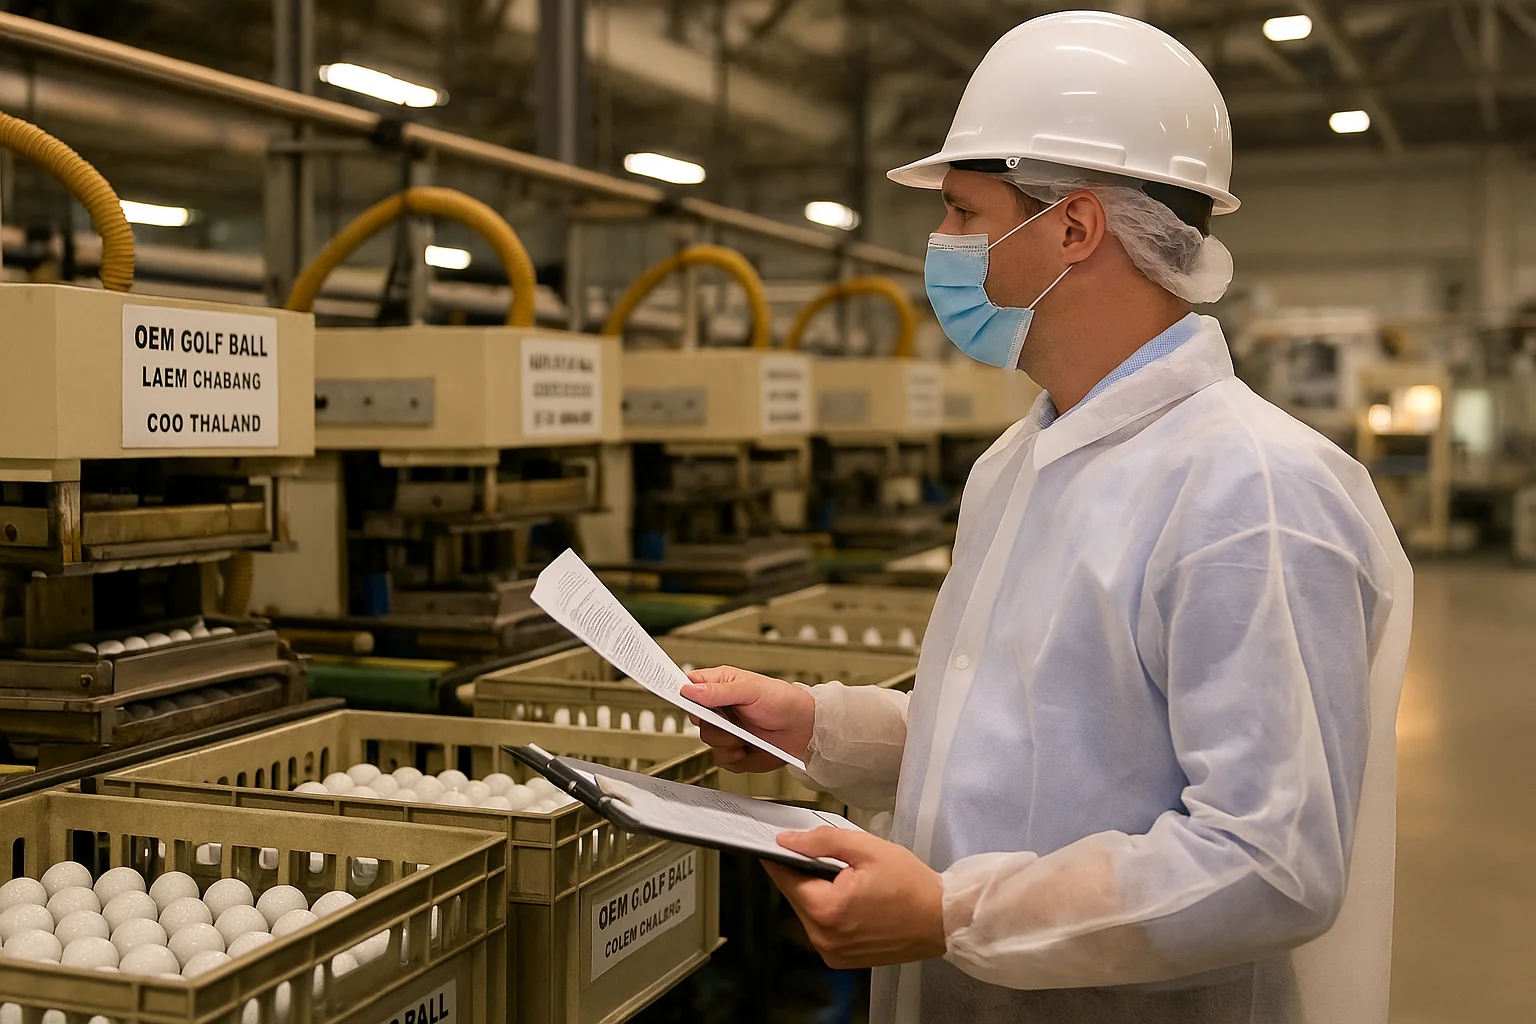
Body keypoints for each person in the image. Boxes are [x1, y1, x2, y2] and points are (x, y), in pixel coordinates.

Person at [680, 11, 1413, 1024]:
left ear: (1074, 227)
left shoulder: (1253, 493)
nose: (943, 245)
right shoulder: (1021, 460)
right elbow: (1027, 741)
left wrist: (953, 912)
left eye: (963, 211)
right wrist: (820, 728)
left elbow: (1269, 861)